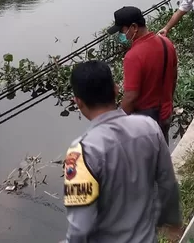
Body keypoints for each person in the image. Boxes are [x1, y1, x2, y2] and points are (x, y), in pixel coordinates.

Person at [63, 60, 182, 243]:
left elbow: (80, 228)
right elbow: (167, 183)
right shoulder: (149, 127)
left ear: (78, 102)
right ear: (116, 89)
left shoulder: (81, 153)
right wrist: (173, 222)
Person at [108, 6, 178, 143]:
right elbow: (174, 76)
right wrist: (168, 101)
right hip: (166, 112)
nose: (121, 35)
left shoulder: (133, 56)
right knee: (162, 152)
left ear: (134, 27)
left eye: (122, 30)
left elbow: (131, 96)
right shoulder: (166, 43)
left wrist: (118, 120)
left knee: (146, 161)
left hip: (145, 121)